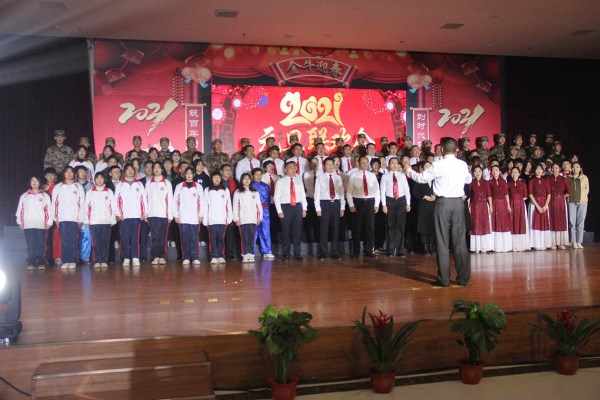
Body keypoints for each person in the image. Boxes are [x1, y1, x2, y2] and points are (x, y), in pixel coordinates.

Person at [403, 138, 472, 287]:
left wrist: (408, 169)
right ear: (456, 150)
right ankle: (463, 278)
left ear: (442, 150)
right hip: (458, 204)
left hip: (443, 204)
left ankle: (444, 279)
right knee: (459, 242)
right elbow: (468, 180)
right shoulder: (462, 164)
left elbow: (421, 178)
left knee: (442, 241)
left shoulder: (438, 164)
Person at [51, 166, 85, 269]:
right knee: (64, 241)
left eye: (71, 172)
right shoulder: (58, 187)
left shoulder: (78, 186)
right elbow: (54, 203)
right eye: (67, 172)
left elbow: (82, 203)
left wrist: (81, 218)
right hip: (62, 218)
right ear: (64, 174)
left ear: (74, 174)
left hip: (74, 218)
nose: (69, 174)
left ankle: (72, 261)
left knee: (73, 240)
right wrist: (55, 218)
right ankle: (66, 260)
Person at [346, 156, 380, 258]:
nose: (365, 164)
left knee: (370, 227)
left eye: (366, 162)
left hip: (369, 202)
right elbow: (349, 192)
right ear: (359, 163)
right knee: (357, 228)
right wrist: (351, 205)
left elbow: (377, 191)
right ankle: (356, 251)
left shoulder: (372, 175)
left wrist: (376, 204)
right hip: (357, 202)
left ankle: (369, 250)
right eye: (362, 162)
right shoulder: (353, 175)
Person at [16, 176, 52, 269]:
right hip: (28, 224)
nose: (34, 183)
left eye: (36, 181)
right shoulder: (24, 196)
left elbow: (49, 210)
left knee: (40, 244)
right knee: (30, 244)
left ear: (40, 183)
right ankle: (31, 262)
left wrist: (49, 222)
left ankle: (41, 262)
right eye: (33, 181)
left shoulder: (45, 196)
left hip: (41, 224)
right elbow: (20, 210)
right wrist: (20, 221)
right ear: (30, 182)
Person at [115, 163, 148, 266]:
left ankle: (135, 257)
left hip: (136, 215)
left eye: (132, 169)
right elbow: (116, 200)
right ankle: (126, 257)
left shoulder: (139, 184)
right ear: (124, 172)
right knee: (124, 237)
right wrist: (118, 213)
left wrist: (144, 213)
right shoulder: (120, 185)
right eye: (128, 169)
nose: (130, 171)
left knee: (135, 238)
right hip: (124, 216)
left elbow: (143, 200)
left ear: (134, 171)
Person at [274, 161, 307, 260]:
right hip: (286, 207)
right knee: (286, 231)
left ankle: (297, 253)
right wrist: (279, 211)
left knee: (297, 231)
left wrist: (304, 208)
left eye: (294, 168)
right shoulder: (280, 181)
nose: (293, 170)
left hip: (297, 207)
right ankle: (285, 253)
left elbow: (303, 195)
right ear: (285, 170)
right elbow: (276, 197)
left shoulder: (299, 180)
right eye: (291, 168)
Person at [314, 158, 345, 260]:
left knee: (336, 229)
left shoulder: (338, 178)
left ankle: (334, 251)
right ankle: (323, 252)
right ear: (324, 166)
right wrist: (318, 208)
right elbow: (316, 194)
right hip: (324, 204)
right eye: (328, 164)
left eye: (332, 164)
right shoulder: (320, 178)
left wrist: (342, 207)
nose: (330, 166)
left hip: (336, 204)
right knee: (324, 229)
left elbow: (341, 193)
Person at [173, 167, 205, 265]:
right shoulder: (179, 186)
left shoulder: (198, 187)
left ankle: (195, 257)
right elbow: (175, 201)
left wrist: (201, 215)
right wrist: (176, 215)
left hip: (195, 217)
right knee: (184, 238)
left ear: (194, 175)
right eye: (187, 173)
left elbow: (201, 202)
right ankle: (186, 257)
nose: (189, 175)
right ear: (184, 175)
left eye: (191, 173)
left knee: (194, 238)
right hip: (183, 217)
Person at [380, 158, 411, 257]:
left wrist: (408, 203)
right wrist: (384, 205)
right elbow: (382, 191)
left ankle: (400, 249)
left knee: (400, 226)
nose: (394, 165)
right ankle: (390, 249)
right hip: (390, 201)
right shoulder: (385, 176)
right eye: (392, 163)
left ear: (398, 165)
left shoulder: (402, 175)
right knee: (390, 226)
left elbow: (406, 189)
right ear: (389, 165)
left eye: (396, 163)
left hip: (401, 201)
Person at [86, 172, 117, 268]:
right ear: (94, 180)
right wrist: (87, 220)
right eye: (97, 178)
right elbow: (86, 207)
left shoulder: (109, 192)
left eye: (101, 178)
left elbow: (113, 206)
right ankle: (97, 260)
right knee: (96, 242)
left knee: (105, 242)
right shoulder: (90, 192)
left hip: (106, 221)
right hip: (94, 221)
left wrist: (112, 219)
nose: (99, 180)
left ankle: (104, 260)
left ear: (105, 180)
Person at [145, 162, 173, 265]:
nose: (156, 169)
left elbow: (170, 199)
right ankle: (155, 256)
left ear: (162, 169)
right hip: (152, 214)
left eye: (158, 167)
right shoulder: (148, 183)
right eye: (155, 167)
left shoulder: (167, 183)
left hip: (163, 214)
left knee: (162, 236)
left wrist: (170, 215)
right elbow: (145, 199)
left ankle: (162, 256)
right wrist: (146, 213)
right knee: (154, 236)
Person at [233, 173, 263, 263]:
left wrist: (259, 217)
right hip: (243, 219)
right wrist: (236, 218)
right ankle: (245, 254)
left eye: (248, 178)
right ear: (241, 180)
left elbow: (259, 205)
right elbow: (235, 206)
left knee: (251, 237)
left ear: (251, 180)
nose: (246, 180)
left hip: (253, 219)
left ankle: (251, 254)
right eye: (244, 179)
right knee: (244, 238)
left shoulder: (255, 192)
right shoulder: (238, 192)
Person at [203, 173, 232, 264]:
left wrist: (229, 218)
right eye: (215, 177)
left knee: (221, 238)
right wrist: (205, 220)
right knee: (212, 238)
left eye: (218, 177)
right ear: (211, 179)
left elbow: (228, 204)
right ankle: (214, 256)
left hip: (222, 219)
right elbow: (205, 205)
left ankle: (221, 255)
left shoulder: (225, 190)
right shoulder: (207, 190)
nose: (216, 179)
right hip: (211, 219)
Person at [412, 162, 435, 255]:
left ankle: (431, 246)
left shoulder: (435, 179)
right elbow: (415, 192)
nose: (428, 168)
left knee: (432, 227)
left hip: (434, 206)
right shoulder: (420, 179)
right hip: (423, 205)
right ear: (422, 168)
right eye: (426, 166)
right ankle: (425, 247)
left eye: (430, 166)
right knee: (423, 227)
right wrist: (425, 196)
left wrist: (436, 196)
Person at [468, 166, 493, 253]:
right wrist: (468, 206)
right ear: (473, 173)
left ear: (482, 172)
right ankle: (476, 247)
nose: (477, 173)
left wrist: (491, 206)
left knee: (484, 224)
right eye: (475, 171)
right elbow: (469, 196)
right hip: (474, 206)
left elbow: (489, 195)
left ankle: (484, 247)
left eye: (479, 171)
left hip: (484, 206)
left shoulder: (486, 183)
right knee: (475, 225)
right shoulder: (471, 183)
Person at [251, 168, 275, 260]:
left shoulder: (266, 186)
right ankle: (250, 252)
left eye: (260, 174)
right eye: (256, 174)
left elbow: (268, 199)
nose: (259, 176)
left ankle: (267, 251)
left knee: (265, 230)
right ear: (252, 176)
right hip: (253, 210)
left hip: (264, 210)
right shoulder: (250, 186)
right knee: (253, 231)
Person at [528, 163, 552, 250]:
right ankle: (535, 244)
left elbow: (549, 194)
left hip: (544, 203)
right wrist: (537, 206)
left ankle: (543, 243)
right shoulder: (531, 181)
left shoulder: (546, 181)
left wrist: (546, 205)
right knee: (535, 223)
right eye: (537, 169)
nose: (539, 171)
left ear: (543, 171)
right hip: (535, 204)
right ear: (534, 171)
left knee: (544, 223)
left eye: (540, 169)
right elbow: (530, 194)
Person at [548, 163, 572, 250]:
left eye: (556, 168)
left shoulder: (563, 179)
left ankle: (561, 243)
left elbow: (569, 191)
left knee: (560, 221)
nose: (555, 170)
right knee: (552, 220)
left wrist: (561, 197)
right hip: (550, 202)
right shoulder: (548, 179)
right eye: (553, 168)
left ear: (560, 169)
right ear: (551, 169)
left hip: (560, 202)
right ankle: (552, 243)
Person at [489, 165, 512, 252]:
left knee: (504, 222)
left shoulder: (503, 181)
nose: (495, 172)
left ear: (499, 172)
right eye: (493, 170)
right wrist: (491, 206)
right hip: (494, 203)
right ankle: (496, 246)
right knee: (495, 222)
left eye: (496, 170)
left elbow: (506, 194)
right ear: (491, 172)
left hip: (503, 203)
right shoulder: (490, 182)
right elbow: (489, 195)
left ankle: (505, 245)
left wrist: (508, 205)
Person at [220, 163, 241, 260]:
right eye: (226, 170)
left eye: (230, 170)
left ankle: (230, 254)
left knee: (231, 233)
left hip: (232, 209)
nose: (229, 172)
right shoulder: (217, 181)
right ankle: (220, 253)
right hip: (220, 210)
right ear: (221, 172)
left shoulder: (233, 182)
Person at [507, 167, 530, 252]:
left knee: (520, 223)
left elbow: (525, 196)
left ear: (519, 174)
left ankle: (520, 245)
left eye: (516, 172)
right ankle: (513, 245)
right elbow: (507, 195)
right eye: (512, 172)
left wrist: (518, 200)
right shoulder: (508, 184)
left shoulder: (522, 183)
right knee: (512, 223)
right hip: (511, 205)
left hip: (520, 205)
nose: (514, 174)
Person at [567, 162, 589, 249]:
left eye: (577, 167)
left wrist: (583, 198)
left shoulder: (584, 177)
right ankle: (573, 242)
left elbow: (587, 189)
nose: (575, 169)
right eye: (573, 167)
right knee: (572, 222)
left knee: (580, 222)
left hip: (582, 202)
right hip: (571, 202)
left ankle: (579, 241)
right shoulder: (568, 178)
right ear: (571, 168)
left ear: (580, 168)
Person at [42, 167, 61, 265]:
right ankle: (45, 257)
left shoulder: (59, 187)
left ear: (55, 176)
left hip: (56, 215)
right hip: (45, 216)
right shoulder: (41, 187)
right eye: (48, 175)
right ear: (45, 176)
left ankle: (57, 256)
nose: (50, 177)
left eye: (52, 175)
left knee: (57, 236)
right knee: (45, 237)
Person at [75, 165, 93, 263]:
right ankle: (74, 256)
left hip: (87, 213)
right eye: (80, 171)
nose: (82, 173)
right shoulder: (73, 185)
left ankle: (85, 257)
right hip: (75, 213)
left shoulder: (91, 186)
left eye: (84, 171)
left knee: (86, 235)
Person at [303, 158, 320, 244]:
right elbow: (308, 187)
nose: (314, 165)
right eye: (313, 163)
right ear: (310, 164)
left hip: (319, 199)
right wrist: (314, 196)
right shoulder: (306, 174)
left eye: (316, 163)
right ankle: (309, 238)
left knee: (318, 219)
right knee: (309, 220)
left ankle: (317, 238)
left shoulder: (321, 174)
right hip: (309, 198)